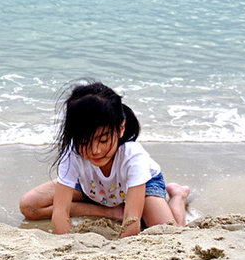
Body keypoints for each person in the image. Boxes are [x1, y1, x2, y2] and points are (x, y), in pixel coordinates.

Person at [19, 80, 189, 238]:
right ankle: (111, 211)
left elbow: (132, 220)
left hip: (139, 187)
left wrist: (119, 252)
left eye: (103, 140)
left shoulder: (133, 155)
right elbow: (60, 211)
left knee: (169, 231)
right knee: (29, 205)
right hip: (92, 186)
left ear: (121, 128)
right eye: (84, 141)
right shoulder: (73, 153)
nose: (95, 150)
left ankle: (178, 195)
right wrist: (70, 246)